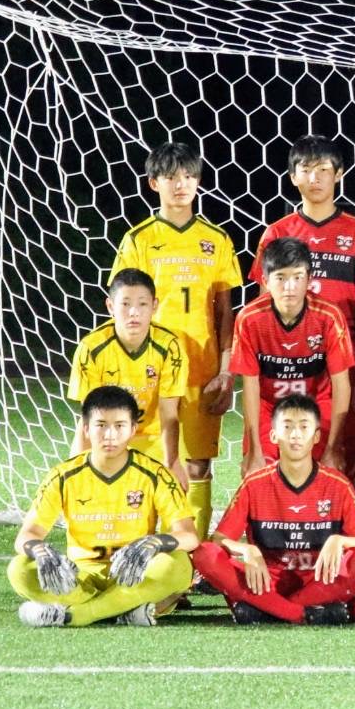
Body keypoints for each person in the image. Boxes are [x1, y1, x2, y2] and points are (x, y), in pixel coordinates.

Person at [110, 141, 243, 534]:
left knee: (198, 464)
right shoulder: (138, 239)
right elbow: (124, 307)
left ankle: (193, 553)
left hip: (202, 370)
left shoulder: (216, 240)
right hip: (151, 371)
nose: (181, 184)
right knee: (149, 460)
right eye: (171, 177)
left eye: (188, 176)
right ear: (154, 184)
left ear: (199, 181)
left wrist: (226, 370)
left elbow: (225, 312)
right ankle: (144, 548)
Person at [8, 386, 199, 627]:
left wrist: (155, 542)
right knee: (19, 569)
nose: (110, 435)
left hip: (134, 573)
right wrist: (39, 550)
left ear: (133, 429)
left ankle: (75, 615)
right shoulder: (63, 476)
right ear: (86, 429)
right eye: (101, 425)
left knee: (179, 565)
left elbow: (189, 536)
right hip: (79, 577)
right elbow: (27, 534)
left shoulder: (155, 474)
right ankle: (122, 609)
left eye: (119, 426)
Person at [250, 134, 355, 467]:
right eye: (306, 170)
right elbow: (262, 306)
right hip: (286, 357)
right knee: (280, 453)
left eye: (323, 169)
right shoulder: (277, 232)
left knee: (341, 455)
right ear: (293, 177)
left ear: (339, 174)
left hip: (344, 358)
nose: (315, 178)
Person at [192, 394, 355, 624]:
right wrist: (247, 550)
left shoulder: (337, 485)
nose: (295, 435)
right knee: (205, 554)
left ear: (316, 436)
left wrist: (340, 541)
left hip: (320, 581)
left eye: (304, 427)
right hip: (266, 582)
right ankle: (302, 613)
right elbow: (219, 540)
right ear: (273, 435)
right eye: (287, 426)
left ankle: (268, 610)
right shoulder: (254, 484)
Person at [228, 237, 355, 474]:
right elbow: (250, 385)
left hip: (316, 403)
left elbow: (341, 384)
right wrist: (254, 450)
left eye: (298, 277)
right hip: (269, 406)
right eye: (281, 278)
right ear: (265, 281)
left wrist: (334, 446)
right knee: (258, 474)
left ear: (309, 279)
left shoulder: (329, 316)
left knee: (326, 473)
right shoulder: (250, 319)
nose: (290, 287)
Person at [66, 268, 186, 462]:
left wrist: (172, 462)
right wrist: (79, 467)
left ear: (154, 306)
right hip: (108, 437)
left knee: (175, 475)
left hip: (154, 437)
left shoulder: (170, 347)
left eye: (142, 304)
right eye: (125, 304)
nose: (134, 312)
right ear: (110, 306)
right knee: (80, 477)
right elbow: (92, 414)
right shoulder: (91, 348)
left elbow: (169, 413)